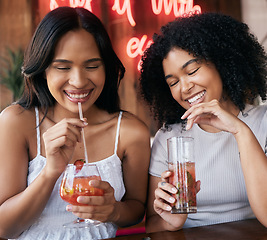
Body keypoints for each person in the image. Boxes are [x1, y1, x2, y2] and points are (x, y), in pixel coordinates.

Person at [0, 6, 150, 239]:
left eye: (92, 66)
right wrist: (50, 172)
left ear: (106, 68)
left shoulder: (131, 132)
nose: (79, 81)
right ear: (43, 70)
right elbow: (4, 228)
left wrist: (114, 210)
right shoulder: (16, 123)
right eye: (63, 67)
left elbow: (137, 208)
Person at [139, 12, 267, 233]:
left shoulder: (263, 121)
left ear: (222, 63)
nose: (184, 87)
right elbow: (152, 225)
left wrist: (240, 130)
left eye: (192, 71)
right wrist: (171, 221)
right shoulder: (169, 137)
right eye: (173, 82)